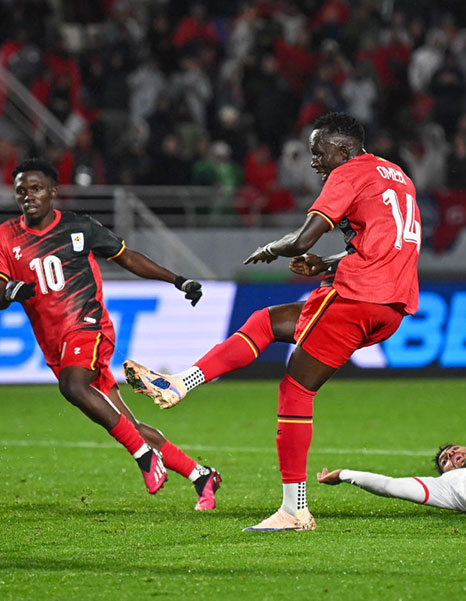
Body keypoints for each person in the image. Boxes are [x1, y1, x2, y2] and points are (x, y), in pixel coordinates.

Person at [124, 112, 421, 531]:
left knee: (289, 377)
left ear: (342, 149)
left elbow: (301, 239)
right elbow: (385, 246)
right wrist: (326, 262)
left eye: (319, 153)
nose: (314, 162)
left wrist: (272, 247)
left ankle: (294, 508)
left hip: (358, 295)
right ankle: (182, 384)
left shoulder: (349, 173)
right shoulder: (398, 177)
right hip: (392, 306)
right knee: (272, 331)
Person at [0, 158, 220, 510]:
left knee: (73, 386)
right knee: (125, 423)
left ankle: (143, 457)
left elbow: (127, 258)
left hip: (89, 327)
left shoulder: (80, 228)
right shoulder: (4, 237)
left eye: (35, 189)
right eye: (21, 190)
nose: (28, 196)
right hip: (56, 345)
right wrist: (11, 292)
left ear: (52, 191)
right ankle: (201, 475)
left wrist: (177, 280)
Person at [318, 445, 466, 516]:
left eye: (456, 449)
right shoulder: (444, 486)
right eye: (445, 461)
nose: (451, 454)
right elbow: (388, 485)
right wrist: (344, 474)